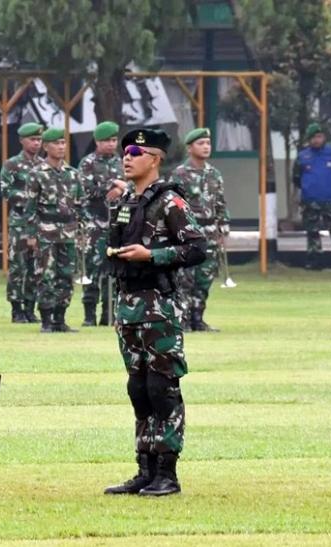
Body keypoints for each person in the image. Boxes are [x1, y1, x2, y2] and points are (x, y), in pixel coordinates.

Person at [104, 128, 207, 497]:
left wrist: (153, 256)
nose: (126, 157)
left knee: (162, 389)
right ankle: (144, 469)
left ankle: (168, 472)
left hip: (157, 308)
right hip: (128, 308)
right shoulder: (127, 202)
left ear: (156, 158)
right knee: (138, 390)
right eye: (125, 152)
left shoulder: (169, 202)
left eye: (136, 151)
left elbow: (197, 248)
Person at [169, 127, 230, 331]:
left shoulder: (214, 174)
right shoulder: (179, 174)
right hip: (188, 234)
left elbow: (220, 203)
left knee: (205, 278)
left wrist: (223, 228)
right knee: (185, 279)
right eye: (201, 143)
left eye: (208, 143)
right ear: (189, 148)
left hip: (210, 233)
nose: (206, 147)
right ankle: (183, 320)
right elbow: (171, 205)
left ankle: (198, 318)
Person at [25, 127, 83, 333]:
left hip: (68, 232)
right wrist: (31, 235)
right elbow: (30, 207)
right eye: (56, 143)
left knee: (66, 275)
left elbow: (79, 205)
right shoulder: (37, 174)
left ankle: (60, 318)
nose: (61, 147)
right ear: (46, 146)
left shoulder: (73, 174)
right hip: (45, 231)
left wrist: (81, 232)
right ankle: (47, 319)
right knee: (45, 275)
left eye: (63, 143)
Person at [78, 120, 126, 327]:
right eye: (106, 140)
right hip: (94, 225)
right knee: (92, 269)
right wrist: (113, 186)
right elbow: (86, 190)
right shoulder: (88, 163)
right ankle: (89, 315)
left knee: (113, 271)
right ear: (97, 142)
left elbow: (131, 187)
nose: (110, 144)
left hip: (116, 225)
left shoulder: (122, 163)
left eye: (114, 140)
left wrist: (121, 190)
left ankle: (109, 314)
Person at [292, 122, 331, 272]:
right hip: (310, 200)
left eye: (319, 136)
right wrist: (308, 188)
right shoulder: (302, 156)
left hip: (329, 200)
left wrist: (330, 187)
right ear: (309, 139)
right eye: (314, 137)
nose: (317, 140)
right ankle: (314, 261)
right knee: (312, 231)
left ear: (324, 138)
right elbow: (296, 178)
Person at [0, 122, 44, 323]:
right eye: (32, 139)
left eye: (39, 140)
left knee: (36, 267)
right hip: (20, 222)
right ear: (22, 140)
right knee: (18, 266)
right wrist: (32, 197)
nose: (36, 143)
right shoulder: (12, 164)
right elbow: (5, 191)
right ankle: (16, 308)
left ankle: (30, 307)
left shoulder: (44, 165)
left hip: (40, 223)